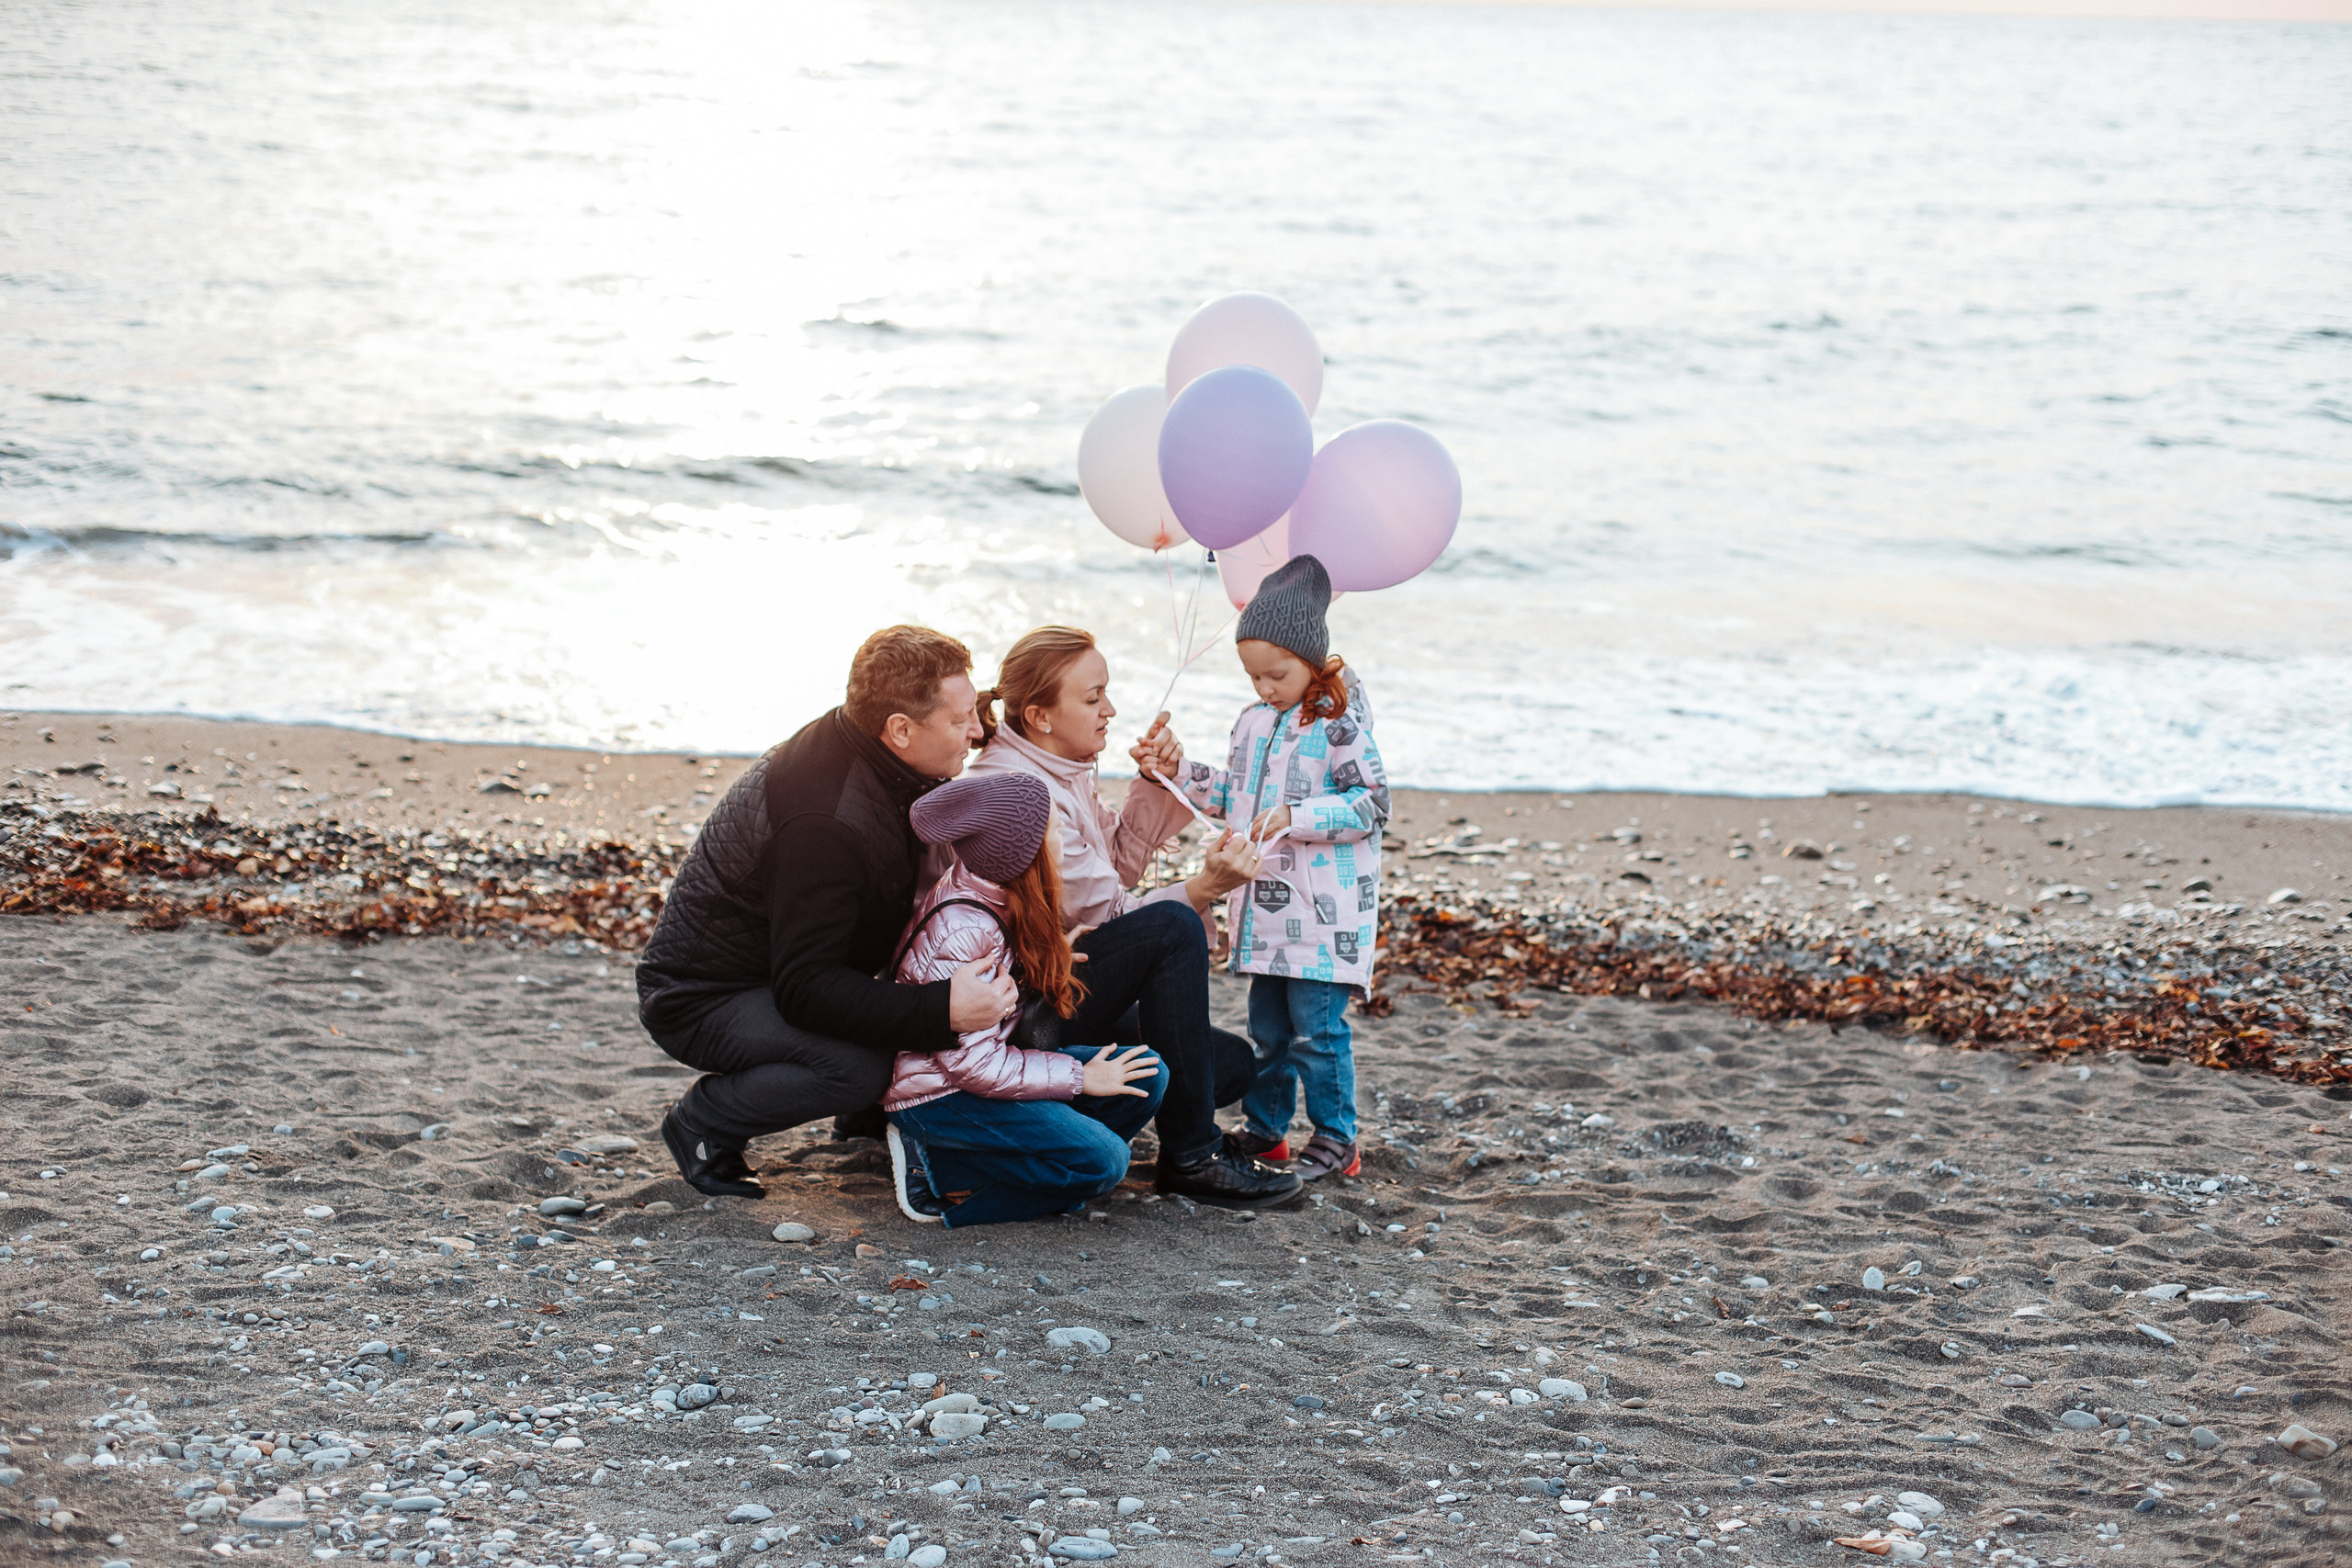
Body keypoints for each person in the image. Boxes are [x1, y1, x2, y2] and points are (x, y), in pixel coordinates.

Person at [634, 625, 1018, 1198]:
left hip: (783, 969)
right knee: (858, 1067)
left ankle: (865, 1114)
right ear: (901, 730)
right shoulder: (824, 822)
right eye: (963, 720)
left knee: (900, 1022)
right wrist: (943, 1007)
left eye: (978, 711)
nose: (978, 730)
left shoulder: (878, 745)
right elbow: (806, 988)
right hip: (703, 996)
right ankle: (703, 1122)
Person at [965, 625, 1303, 1210]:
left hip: (1056, 984)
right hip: (1013, 1017)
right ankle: (1192, 1155)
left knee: (1229, 1064)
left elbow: (1116, 866)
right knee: (1172, 928)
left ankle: (1104, 1118)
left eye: (1106, 694)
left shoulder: (1058, 766)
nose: (1110, 711)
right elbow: (1117, 916)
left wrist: (1153, 782)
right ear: (1041, 716)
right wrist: (1206, 887)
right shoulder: (1020, 789)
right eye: (1093, 699)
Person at [1170, 556, 1390, 1182]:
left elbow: (1371, 804)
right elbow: (1233, 799)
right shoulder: (1254, 723)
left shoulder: (1340, 725)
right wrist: (1179, 769)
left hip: (1325, 917)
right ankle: (1267, 1132)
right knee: (1266, 1030)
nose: (1264, 686)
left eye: (1277, 673)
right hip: (1264, 914)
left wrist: (1296, 812)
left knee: (1316, 1033)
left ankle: (1336, 1137)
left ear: (1313, 659)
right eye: (1253, 675)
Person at [882, 773, 1170, 1226]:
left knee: (1148, 1072)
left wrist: (1043, 963)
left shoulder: (998, 892)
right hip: (939, 1094)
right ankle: (940, 1168)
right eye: (1055, 830)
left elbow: (999, 1013)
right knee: (1106, 1164)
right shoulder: (966, 928)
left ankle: (1046, 1169)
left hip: (988, 1065)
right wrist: (1080, 1077)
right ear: (1023, 851)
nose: (1062, 838)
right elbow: (969, 1065)